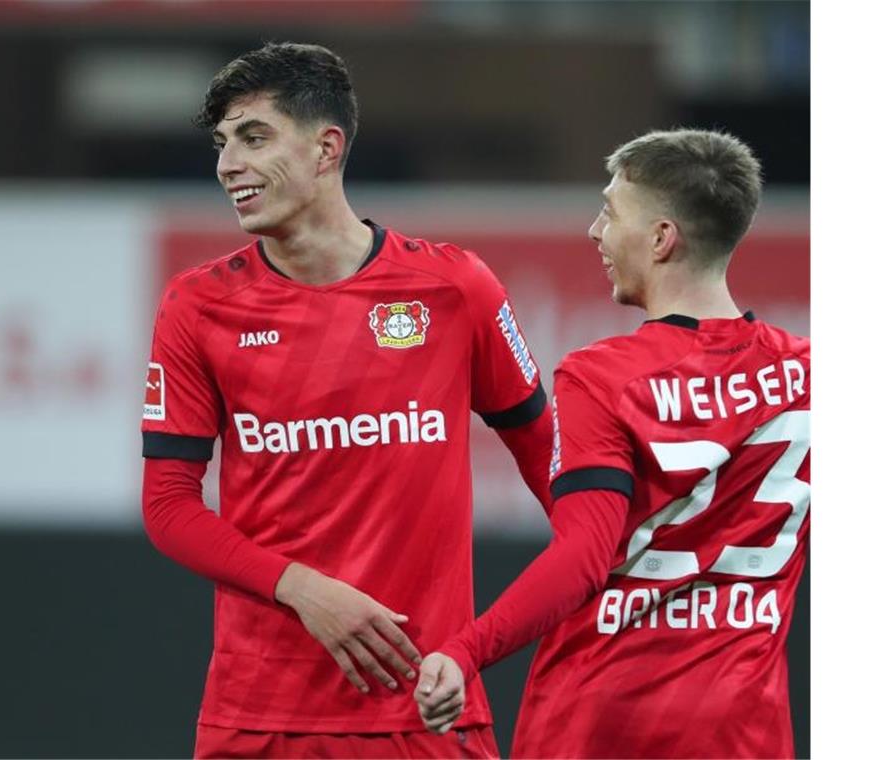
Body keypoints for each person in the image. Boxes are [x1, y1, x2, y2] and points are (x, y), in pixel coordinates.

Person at [140, 41, 553, 758]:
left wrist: (636, 582)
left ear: (327, 147)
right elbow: (168, 506)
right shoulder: (196, 305)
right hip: (259, 716)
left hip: (426, 711)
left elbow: (556, 468)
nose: (226, 165)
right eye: (222, 143)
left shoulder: (456, 289)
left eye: (254, 137)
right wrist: (302, 589)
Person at [414, 128, 810, 759]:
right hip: (745, 728)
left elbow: (583, 559)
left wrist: (466, 650)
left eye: (610, 211)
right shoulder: (809, 374)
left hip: (604, 717)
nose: (596, 232)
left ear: (661, 238)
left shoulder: (603, 375)